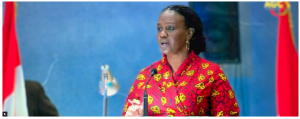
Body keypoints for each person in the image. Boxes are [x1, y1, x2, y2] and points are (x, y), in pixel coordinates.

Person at [122, 5, 240, 117]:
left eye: (170, 28)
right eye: (159, 29)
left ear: (189, 33)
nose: (162, 34)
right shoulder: (146, 76)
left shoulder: (211, 73)